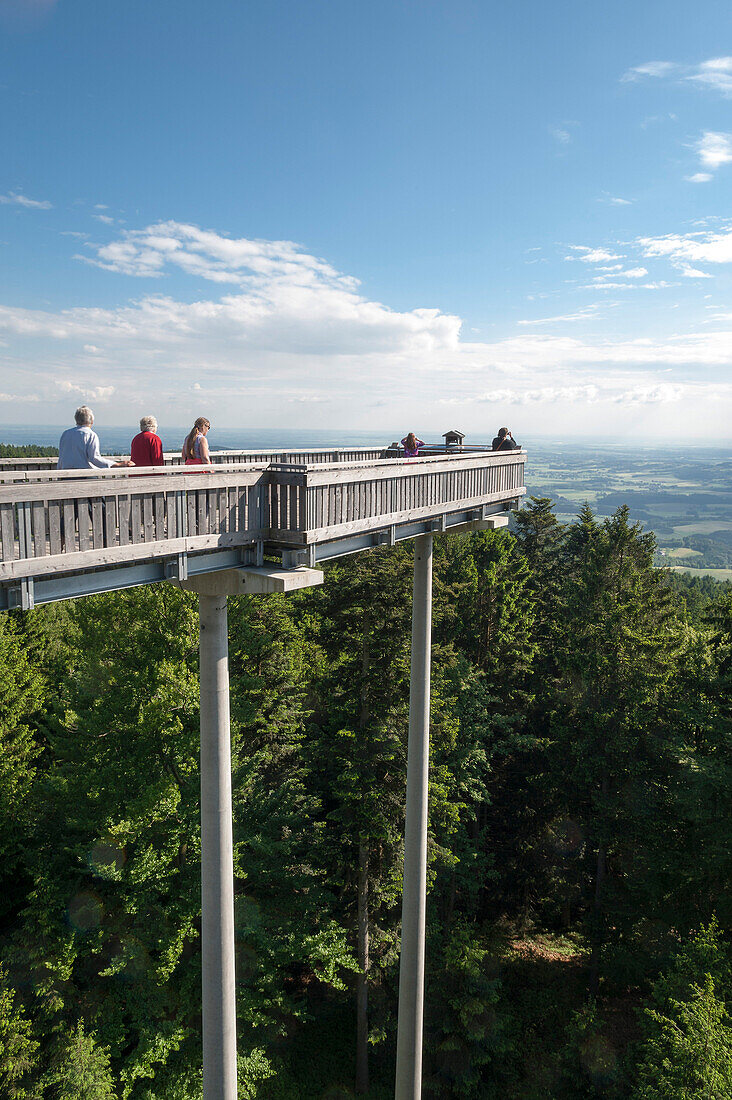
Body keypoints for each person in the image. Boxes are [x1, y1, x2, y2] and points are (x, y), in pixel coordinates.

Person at [57, 406, 134, 469]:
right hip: (84, 476)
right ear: (91, 421)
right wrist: (117, 465)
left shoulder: (66, 434)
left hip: (66, 474)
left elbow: (61, 457)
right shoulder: (90, 435)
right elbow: (94, 458)